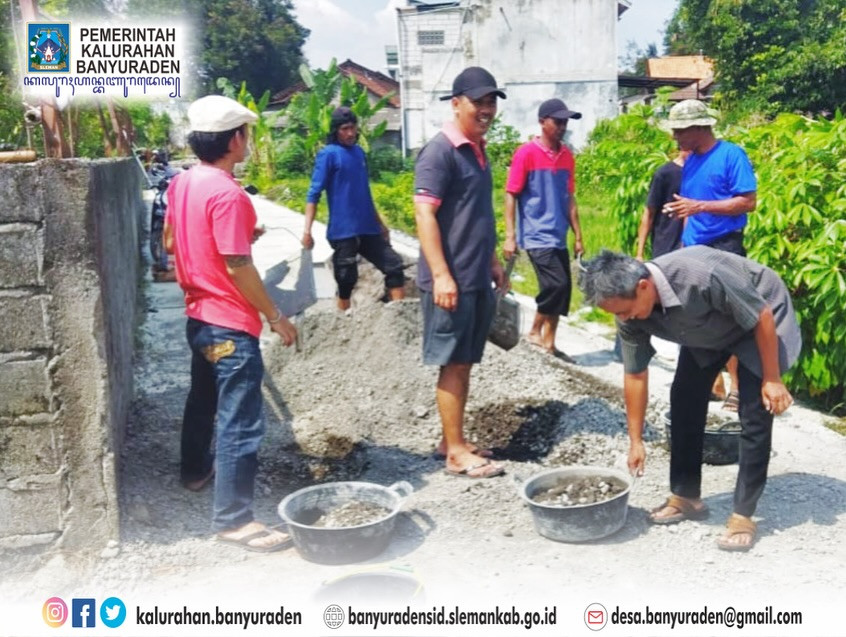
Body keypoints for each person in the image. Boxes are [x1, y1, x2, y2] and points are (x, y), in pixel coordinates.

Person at [578, 247, 800, 551]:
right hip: (708, 326)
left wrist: (772, 379)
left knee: (754, 412)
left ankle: (743, 514)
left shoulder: (701, 275)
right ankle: (686, 497)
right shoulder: (629, 309)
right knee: (684, 398)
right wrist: (636, 440)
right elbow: (635, 374)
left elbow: (760, 314)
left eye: (623, 311)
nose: (623, 319)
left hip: (760, 317)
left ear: (643, 287)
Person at [164, 95, 298, 552]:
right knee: (240, 421)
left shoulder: (183, 183)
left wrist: (238, 232)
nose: (249, 141)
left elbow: (173, 239)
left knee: (202, 400)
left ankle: (195, 472)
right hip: (229, 325)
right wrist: (275, 316)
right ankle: (234, 520)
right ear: (235, 138)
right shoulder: (228, 193)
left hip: (197, 317)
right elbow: (239, 265)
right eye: (247, 133)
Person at [414, 66, 508, 479]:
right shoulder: (440, 151)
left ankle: (451, 439)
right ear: (456, 103)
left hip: (474, 276)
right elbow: (424, 213)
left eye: (491, 102)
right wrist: (441, 275)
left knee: (464, 361)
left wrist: (490, 259)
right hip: (450, 281)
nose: (486, 109)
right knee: (452, 363)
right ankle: (454, 452)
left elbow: (475, 214)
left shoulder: (478, 149)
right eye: (479, 101)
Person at [661, 99, 758, 412]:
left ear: (699, 127)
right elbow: (689, 203)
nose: (675, 137)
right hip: (694, 249)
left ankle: (737, 389)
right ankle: (704, 385)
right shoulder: (690, 160)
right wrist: (684, 238)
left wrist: (700, 206)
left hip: (725, 247)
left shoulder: (731, 155)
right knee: (694, 318)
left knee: (730, 319)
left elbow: (747, 202)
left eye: (679, 131)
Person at [503, 98, 584, 361]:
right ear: (542, 122)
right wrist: (510, 236)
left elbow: (570, 197)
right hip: (536, 234)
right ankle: (535, 331)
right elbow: (511, 194)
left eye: (565, 122)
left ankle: (550, 344)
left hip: (558, 234)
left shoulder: (566, 156)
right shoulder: (526, 153)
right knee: (555, 285)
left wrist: (578, 236)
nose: (562, 127)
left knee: (563, 290)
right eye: (557, 121)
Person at [302, 107, 405, 311]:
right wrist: (307, 231)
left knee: (394, 266)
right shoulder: (328, 155)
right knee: (346, 280)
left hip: (367, 228)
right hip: (343, 230)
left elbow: (364, 192)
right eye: (345, 129)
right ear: (336, 131)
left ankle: (398, 317)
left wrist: (381, 224)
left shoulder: (358, 153)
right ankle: (343, 322)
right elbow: (313, 194)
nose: (350, 133)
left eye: (353, 128)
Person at [634, 149, 690, 261]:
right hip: (666, 244)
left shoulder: (701, 173)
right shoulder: (664, 173)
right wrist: (639, 254)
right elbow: (649, 213)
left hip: (692, 247)